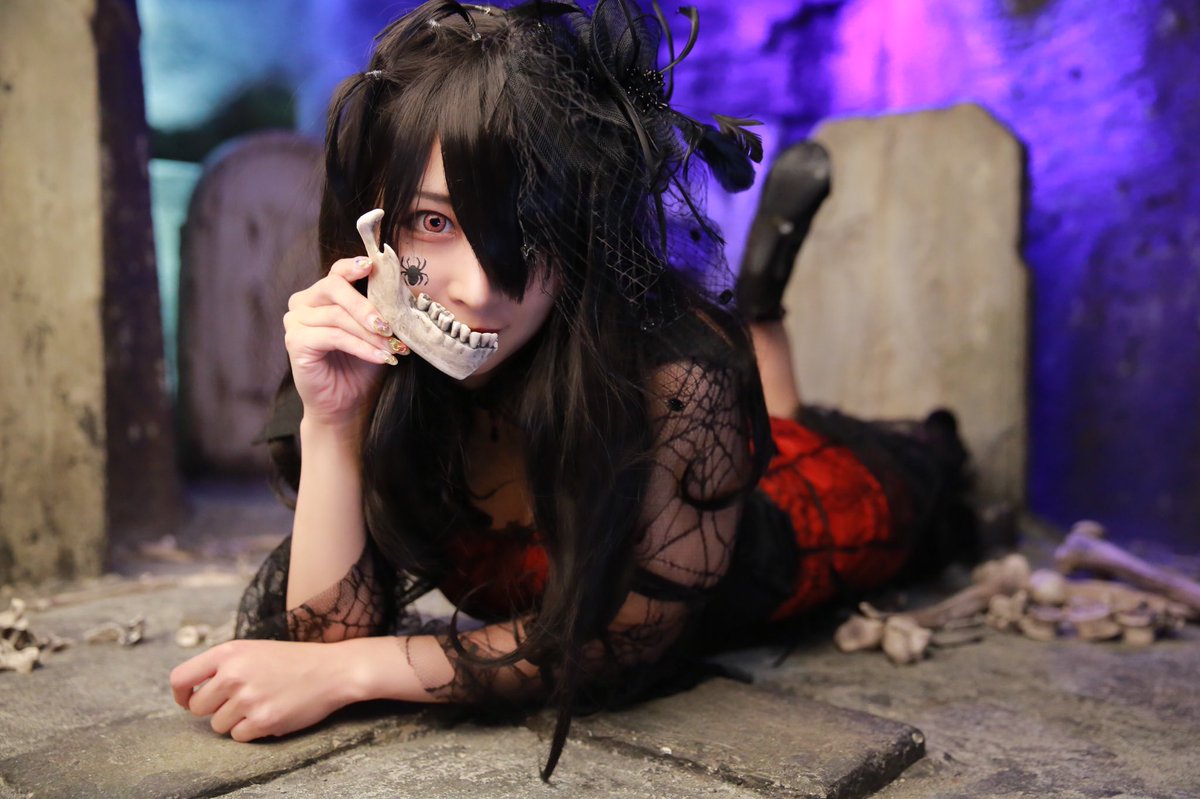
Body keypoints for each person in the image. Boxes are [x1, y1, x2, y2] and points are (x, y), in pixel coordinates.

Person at [170, 0, 974, 780]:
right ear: (373, 219)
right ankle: (760, 307)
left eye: (526, 232)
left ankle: (759, 311)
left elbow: (618, 641)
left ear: (581, 228)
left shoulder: (680, 379)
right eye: (435, 222)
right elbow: (322, 641)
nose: (480, 291)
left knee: (879, 468)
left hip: (771, 532)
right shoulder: (361, 338)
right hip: (684, 450)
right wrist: (332, 424)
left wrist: (359, 672)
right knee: (786, 425)